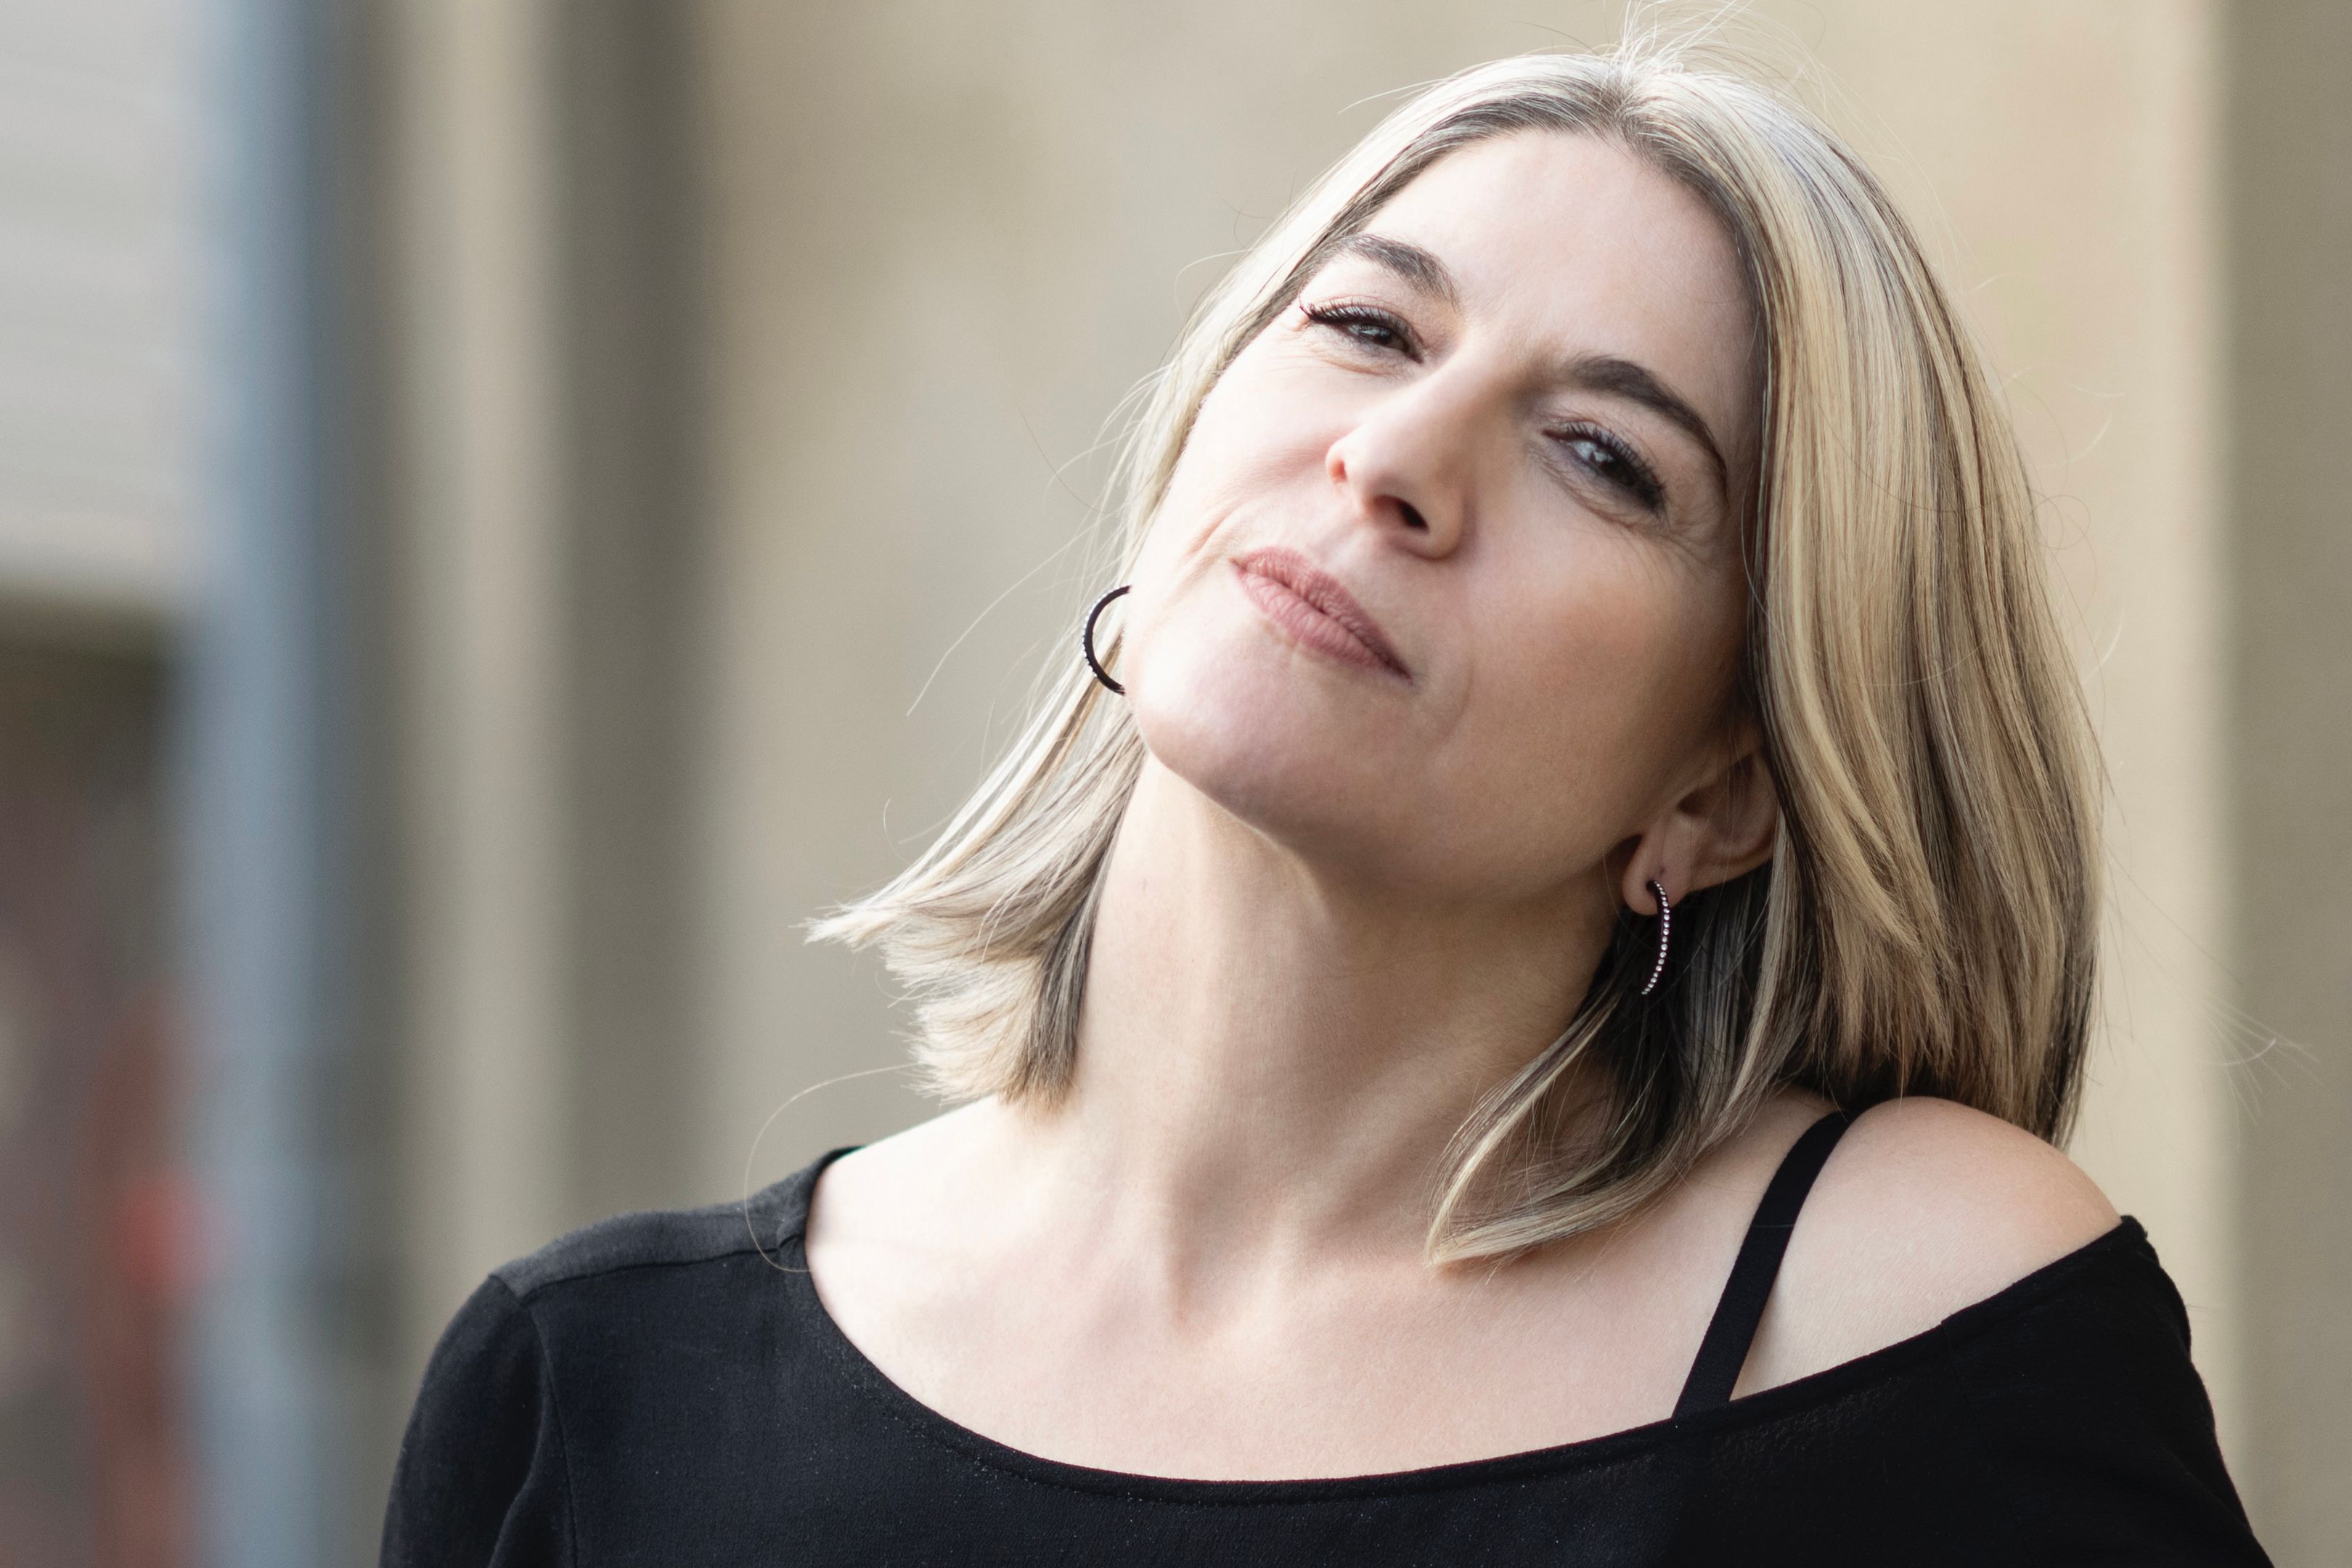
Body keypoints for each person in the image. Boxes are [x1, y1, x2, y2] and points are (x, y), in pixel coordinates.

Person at [382, 36, 2271, 1567]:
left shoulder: (1904, 1324)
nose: (1394, 458)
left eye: (1602, 456)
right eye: (1368, 328)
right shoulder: (584, 1394)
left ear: (1725, 788)